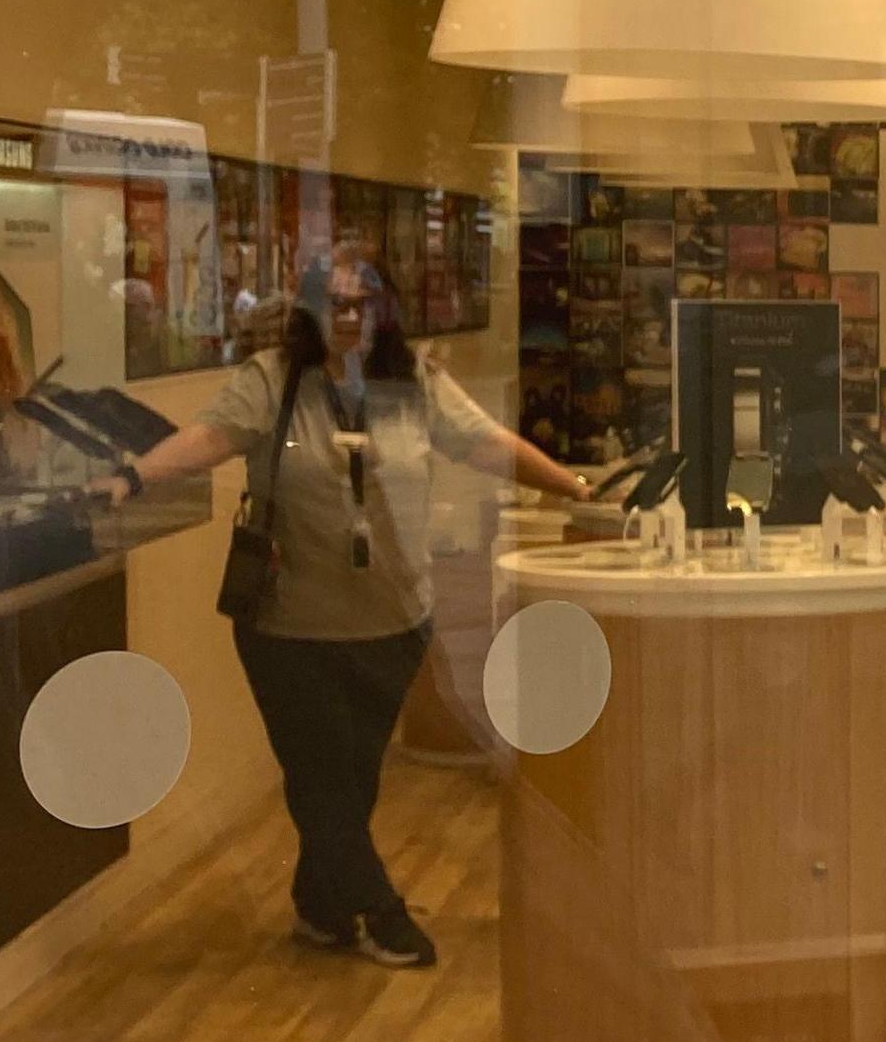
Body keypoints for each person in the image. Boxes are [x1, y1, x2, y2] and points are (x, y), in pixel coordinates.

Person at [97, 251, 588, 964]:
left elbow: (485, 444)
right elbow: (207, 439)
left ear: (386, 309)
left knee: (350, 782)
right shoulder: (273, 380)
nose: (350, 317)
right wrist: (132, 477)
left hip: (394, 623)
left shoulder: (414, 382)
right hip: (288, 627)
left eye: (364, 303)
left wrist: (572, 486)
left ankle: (320, 907)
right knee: (322, 778)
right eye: (336, 302)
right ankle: (383, 912)